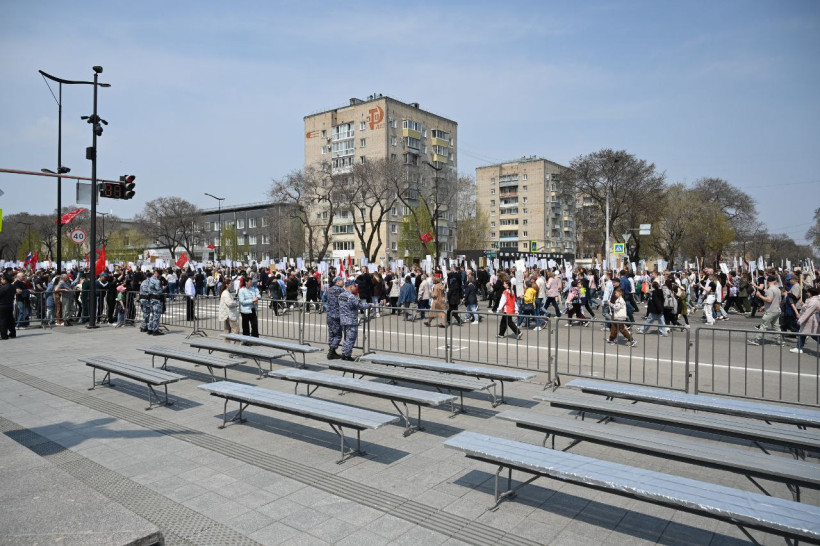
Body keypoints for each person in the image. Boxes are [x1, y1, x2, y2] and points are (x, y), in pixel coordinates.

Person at [338, 279, 370, 360]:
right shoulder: (351, 297)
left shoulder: (341, 295)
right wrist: (370, 305)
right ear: (351, 287)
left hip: (343, 320)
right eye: (355, 286)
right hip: (351, 320)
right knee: (351, 338)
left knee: (346, 338)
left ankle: (344, 353)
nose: (356, 288)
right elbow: (360, 305)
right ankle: (347, 355)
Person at [748, 276, 783, 346]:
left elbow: (769, 300)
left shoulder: (770, 290)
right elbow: (778, 300)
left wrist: (760, 296)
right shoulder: (778, 289)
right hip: (777, 310)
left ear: (768, 282)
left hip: (771, 311)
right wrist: (764, 306)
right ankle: (779, 341)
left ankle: (757, 339)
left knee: (763, 325)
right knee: (776, 326)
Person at [792, 287, 820, 354]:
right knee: (804, 333)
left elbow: (808, 311)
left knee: (812, 334)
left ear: (811, 293)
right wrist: (803, 305)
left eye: (808, 292)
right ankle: (799, 347)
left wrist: (800, 320)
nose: (807, 293)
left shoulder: (814, 301)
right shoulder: (814, 299)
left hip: (810, 319)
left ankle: (799, 347)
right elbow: (808, 308)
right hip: (810, 319)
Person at [325, 276, 345, 359]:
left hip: (329, 314)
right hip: (337, 315)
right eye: (342, 281)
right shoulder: (340, 290)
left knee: (331, 333)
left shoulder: (329, 289)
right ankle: (332, 351)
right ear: (337, 282)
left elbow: (324, 298)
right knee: (338, 334)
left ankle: (331, 349)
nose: (343, 282)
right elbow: (345, 300)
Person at [147, 269, 165, 336]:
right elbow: (159, 290)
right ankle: (155, 330)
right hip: (156, 299)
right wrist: (163, 289)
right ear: (158, 274)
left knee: (153, 314)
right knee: (156, 315)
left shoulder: (149, 279)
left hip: (151, 299)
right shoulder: (157, 281)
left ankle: (150, 329)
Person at [0, 273, 16, 340]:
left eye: (2, 279)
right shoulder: (12, 286)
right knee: (10, 320)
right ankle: (13, 333)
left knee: (3, 321)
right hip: (10, 305)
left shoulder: (3, 287)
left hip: (2, 305)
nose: (1, 280)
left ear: (5, 280)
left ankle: (4, 335)